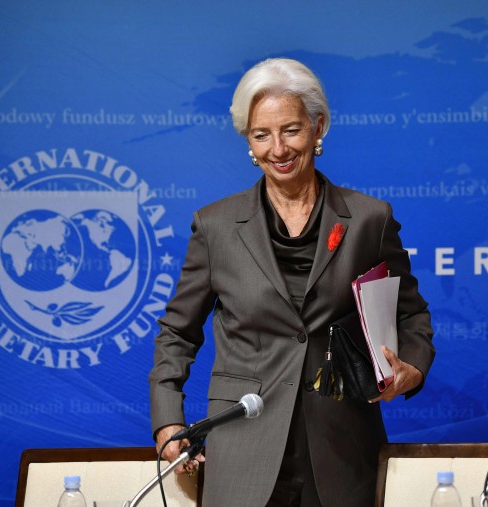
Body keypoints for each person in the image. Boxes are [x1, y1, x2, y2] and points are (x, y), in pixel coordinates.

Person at [149, 58, 435, 507]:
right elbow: (177, 332)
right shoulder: (215, 226)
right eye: (261, 135)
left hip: (342, 449)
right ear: (247, 139)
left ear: (318, 127)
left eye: (291, 130)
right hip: (242, 442)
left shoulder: (368, 220)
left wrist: (410, 369)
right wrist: (168, 422)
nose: (277, 149)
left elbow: (411, 314)